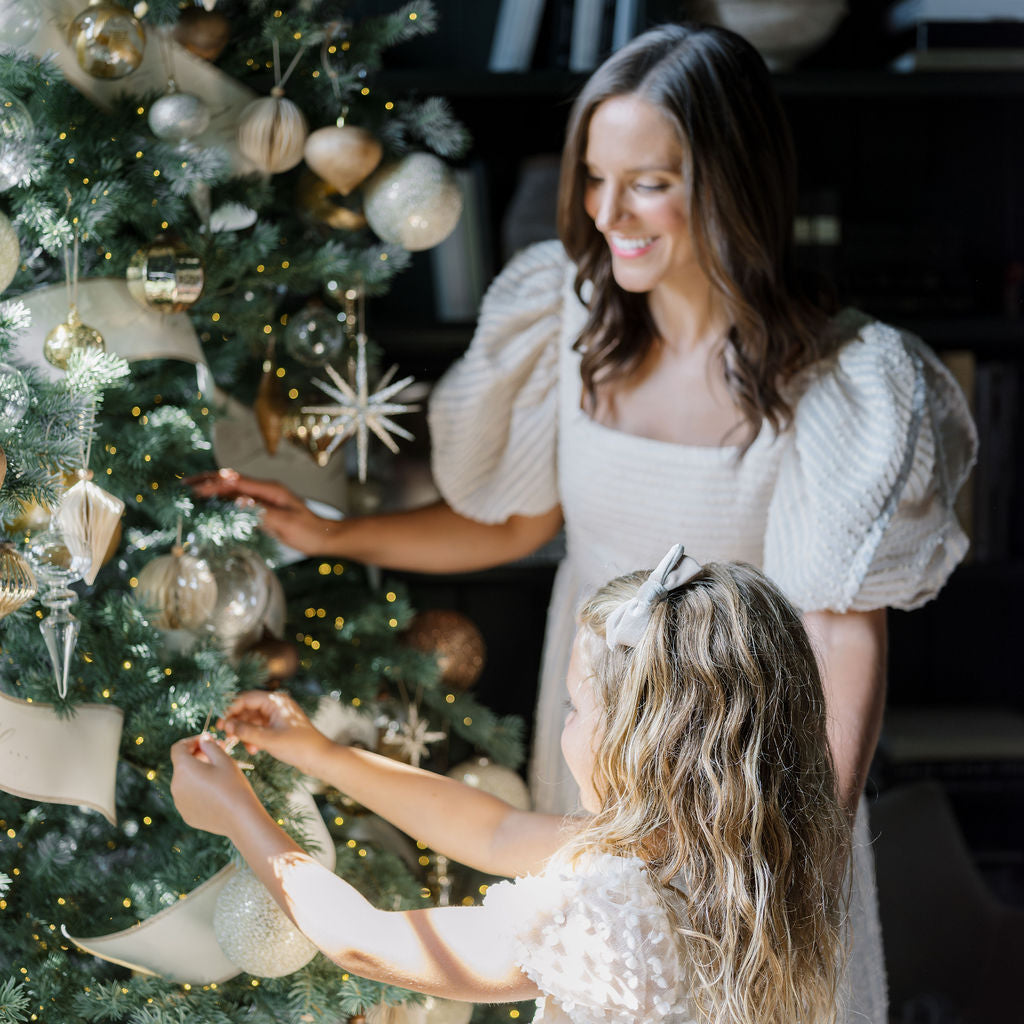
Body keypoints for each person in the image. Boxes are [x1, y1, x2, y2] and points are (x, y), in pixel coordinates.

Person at [190, 23, 976, 1021]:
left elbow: (835, 631)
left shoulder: (845, 383)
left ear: (731, 180)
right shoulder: (565, 323)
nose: (608, 213)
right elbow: (514, 533)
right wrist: (335, 535)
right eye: (594, 177)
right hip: (609, 709)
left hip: (743, 775)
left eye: (646, 181)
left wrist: (785, 853)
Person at [172, 549, 853, 1024]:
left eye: (576, 711)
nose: (564, 728)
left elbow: (365, 939)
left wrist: (238, 813)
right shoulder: (706, 855)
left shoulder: (616, 917)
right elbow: (490, 830)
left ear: (643, 748)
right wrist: (319, 753)